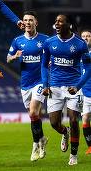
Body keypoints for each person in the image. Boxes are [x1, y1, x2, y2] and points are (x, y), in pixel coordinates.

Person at [41, 14, 91, 165]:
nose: (56, 23)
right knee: (54, 123)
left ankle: (73, 155)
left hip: (73, 87)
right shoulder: (49, 42)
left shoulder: (80, 43)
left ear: (68, 24)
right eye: (55, 21)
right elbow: (43, 65)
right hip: (55, 87)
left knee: (74, 119)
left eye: (60, 21)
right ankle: (65, 132)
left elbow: (88, 68)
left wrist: (78, 86)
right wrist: (45, 85)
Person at [7, 10, 48, 161]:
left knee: (33, 113)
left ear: (36, 23)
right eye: (25, 20)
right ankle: (42, 139)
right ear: (22, 23)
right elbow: (8, 58)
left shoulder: (45, 40)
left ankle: (35, 145)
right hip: (25, 83)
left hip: (40, 81)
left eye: (31, 20)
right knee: (34, 117)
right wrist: (14, 56)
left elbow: (54, 55)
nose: (28, 22)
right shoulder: (17, 40)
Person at [80, 29, 91, 155]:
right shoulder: (76, 54)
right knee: (85, 119)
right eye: (83, 36)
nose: (86, 38)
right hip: (85, 92)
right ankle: (90, 146)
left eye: (88, 36)